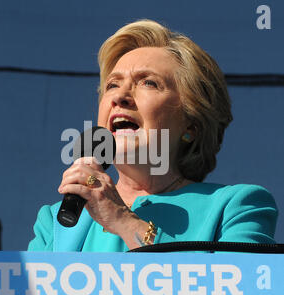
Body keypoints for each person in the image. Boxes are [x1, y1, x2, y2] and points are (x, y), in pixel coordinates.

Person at [28, 19, 278, 252]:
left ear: (191, 126)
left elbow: (239, 292)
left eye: (148, 82)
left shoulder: (237, 207)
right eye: (112, 85)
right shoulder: (54, 222)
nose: (120, 96)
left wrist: (123, 221)